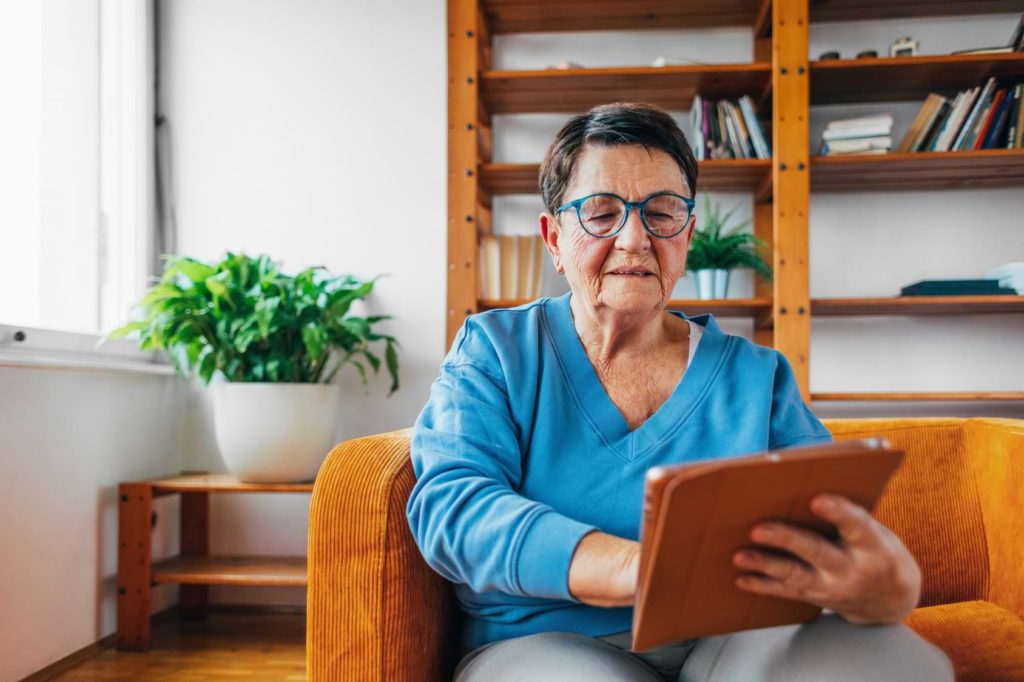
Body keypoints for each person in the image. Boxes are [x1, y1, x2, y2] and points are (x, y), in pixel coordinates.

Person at [406, 102, 953, 681]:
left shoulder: (757, 375)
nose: (635, 238)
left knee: (895, 664)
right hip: (546, 640)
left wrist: (886, 586)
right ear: (554, 238)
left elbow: (835, 520)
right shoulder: (497, 349)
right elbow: (453, 507)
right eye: (601, 213)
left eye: (662, 213)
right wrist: (636, 569)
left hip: (735, 640)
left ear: (686, 234)